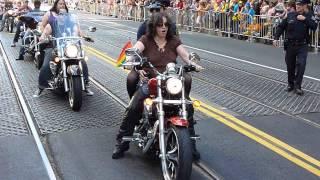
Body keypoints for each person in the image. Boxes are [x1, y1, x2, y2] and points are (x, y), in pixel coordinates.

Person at [112, 12, 203, 160]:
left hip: (170, 81)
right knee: (135, 105)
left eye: (166, 25)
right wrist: (132, 59)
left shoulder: (174, 41)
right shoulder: (146, 40)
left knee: (188, 106)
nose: (163, 28)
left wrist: (193, 64)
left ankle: (190, 146)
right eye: (160, 25)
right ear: (153, 27)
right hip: (152, 80)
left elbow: (185, 56)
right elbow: (135, 50)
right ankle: (122, 142)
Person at [35, 0, 94, 96]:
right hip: (55, 47)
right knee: (46, 65)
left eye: (64, 15)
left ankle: (86, 84)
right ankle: (41, 87)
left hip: (70, 47)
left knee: (82, 61)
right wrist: (43, 38)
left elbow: (78, 32)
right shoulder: (52, 24)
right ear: (57, 16)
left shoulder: (71, 24)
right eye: (60, 15)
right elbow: (45, 32)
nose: (62, 17)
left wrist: (86, 36)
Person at [128, 0, 177, 100]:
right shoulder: (143, 27)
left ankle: (186, 109)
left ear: (164, 10)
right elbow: (138, 49)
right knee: (131, 78)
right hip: (147, 64)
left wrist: (190, 62)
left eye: (157, 10)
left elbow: (177, 46)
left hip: (167, 66)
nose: (155, 12)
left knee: (186, 80)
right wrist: (138, 67)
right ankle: (133, 102)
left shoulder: (172, 27)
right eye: (152, 10)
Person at [273, 0, 317, 95]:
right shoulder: (290, 15)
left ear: (305, 6)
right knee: (290, 65)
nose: (298, 6)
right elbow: (281, 27)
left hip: (302, 45)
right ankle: (290, 84)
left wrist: (305, 19)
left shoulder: (309, 15)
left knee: (301, 64)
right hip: (290, 45)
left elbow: (314, 26)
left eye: (300, 5)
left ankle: (298, 86)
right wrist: (276, 38)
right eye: (297, 4)